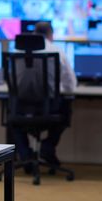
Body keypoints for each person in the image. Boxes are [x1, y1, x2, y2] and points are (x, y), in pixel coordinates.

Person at [12, 22, 77, 167]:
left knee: (12, 118)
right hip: (49, 109)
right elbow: (70, 85)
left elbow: (10, 80)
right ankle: (48, 147)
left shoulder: (17, 51)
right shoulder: (57, 51)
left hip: (21, 109)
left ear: (34, 32)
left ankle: (24, 154)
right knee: (66, 107)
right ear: (51, 35)